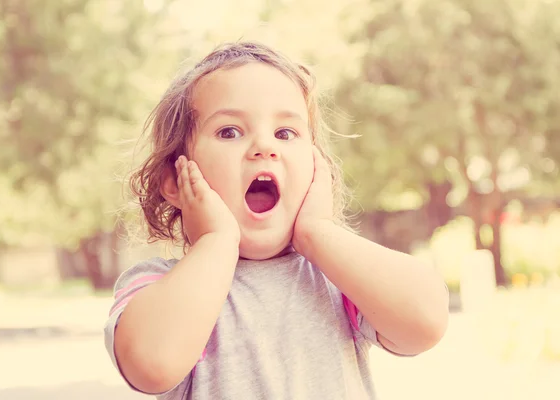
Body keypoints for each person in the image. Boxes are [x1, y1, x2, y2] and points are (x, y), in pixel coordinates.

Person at [104, 41, 449, 400]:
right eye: (229, 131)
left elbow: (426, 321)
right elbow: (150, 363)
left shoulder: (337, 279)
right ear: (174, 181)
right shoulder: (161, 285)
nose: (264, 147)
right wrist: (217, 240)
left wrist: (318, 233)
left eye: (286, 133)